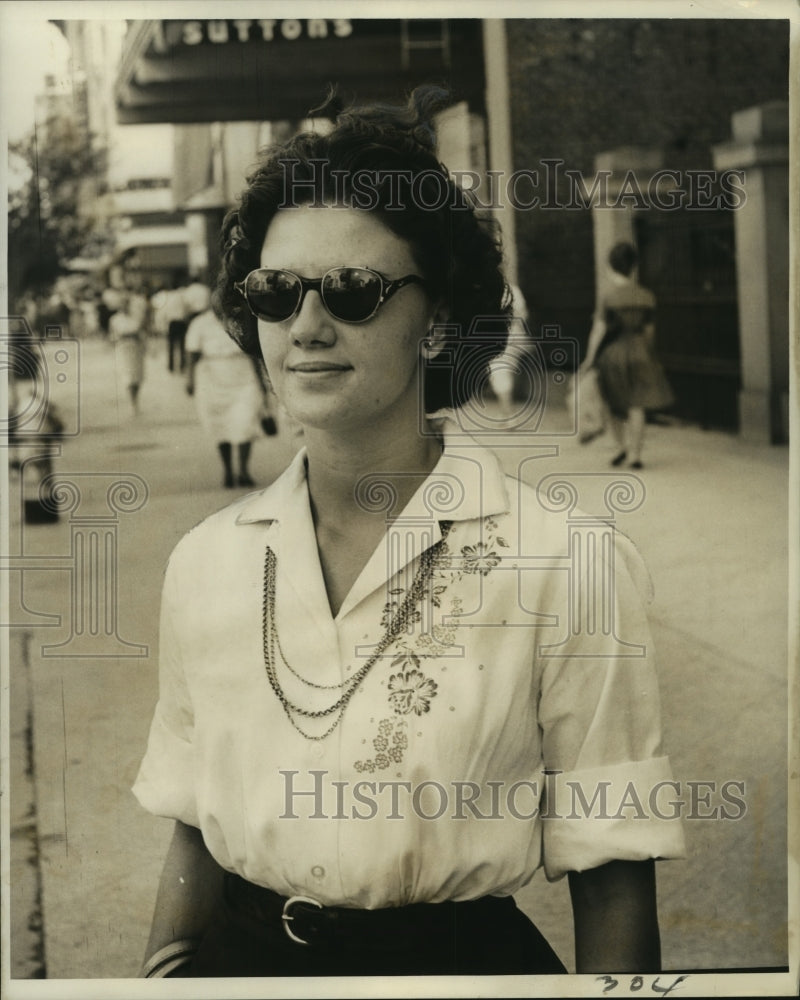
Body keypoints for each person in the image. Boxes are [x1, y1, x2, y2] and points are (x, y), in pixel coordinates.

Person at [133, 87, 684, 980]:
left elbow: (614, 862)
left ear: (435, 324)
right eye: (275, 292)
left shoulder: (563, 565)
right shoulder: (207, 562)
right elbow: (193, 824)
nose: (306, 327)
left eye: (352, 291)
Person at [582, 242, 674, 469]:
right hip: (641, 351)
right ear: (633, 267)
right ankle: (635, 455)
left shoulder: (609, 297)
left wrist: (589, 359)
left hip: (614, 355)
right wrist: (649, 353)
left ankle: (622, 447)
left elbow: (598, 331)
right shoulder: (647, 296)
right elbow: (650, 331)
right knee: (637, 405)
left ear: (611, 267)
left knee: (614, 403)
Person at [184, 289, 266, 489]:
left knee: (245, 424)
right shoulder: (199, 324)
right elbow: (192, 354)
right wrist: (190, 379)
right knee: (221, 426)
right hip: (212, 378)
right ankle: (228, 470)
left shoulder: (242, 322)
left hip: (243, 378)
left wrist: (262, 382)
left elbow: (253, 354)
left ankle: (243, 471)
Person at [106, 276, 149, 415]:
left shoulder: (135, 318)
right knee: (128, 377)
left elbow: (141, 332)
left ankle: (136, 398)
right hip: (123, 350)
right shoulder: (115, 319)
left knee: (138, 377)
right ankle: (132, 403)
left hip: (136, 349)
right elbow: (111, 337)